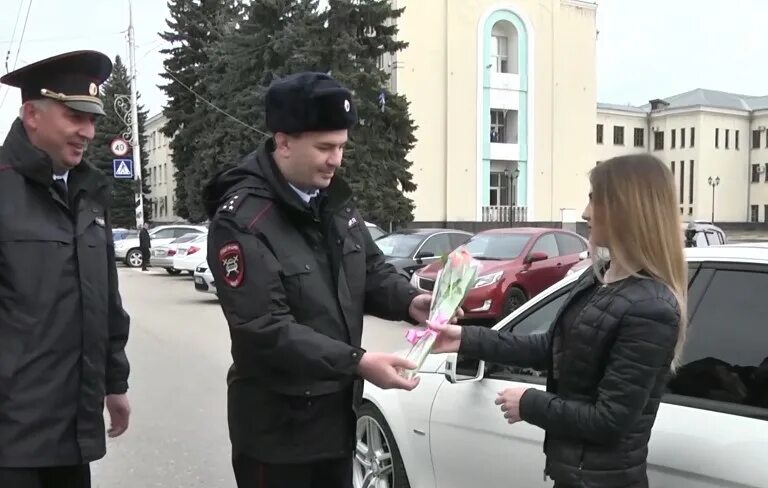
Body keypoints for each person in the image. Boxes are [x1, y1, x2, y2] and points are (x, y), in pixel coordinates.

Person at [203, 72, 434, 488]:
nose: (336, 160)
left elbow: (370, 269)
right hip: (277, 435)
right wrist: (358, 361)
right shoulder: (242, 220)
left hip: (335, 422)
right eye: (324, 147)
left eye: (342, 146)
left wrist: (410, 302)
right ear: (284, 142)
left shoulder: (333, 202)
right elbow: (263, 328)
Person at [431, 154, 687, 488]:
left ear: (626, 208)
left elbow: (609, 420)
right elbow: (552, 346)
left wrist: (530, 403)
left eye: (594, 199)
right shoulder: (598, 279)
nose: (585, 213)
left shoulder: (652, 308)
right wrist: (463, 339)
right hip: (573, 476)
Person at [0, 50, 131, 488]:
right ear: (31, 114)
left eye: (92, 120)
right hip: (10, 441)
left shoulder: (90, 195)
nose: (88, 132)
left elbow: (106, 301)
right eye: (75, 116)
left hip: (73, 434)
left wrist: (116, 383)